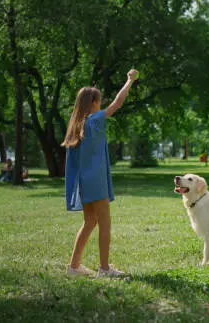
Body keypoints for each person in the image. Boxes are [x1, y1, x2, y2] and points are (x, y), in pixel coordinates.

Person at [62, 69, 138, 277]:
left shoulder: (76, 126)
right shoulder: (94, 120)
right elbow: (117, 103)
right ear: (93, 102)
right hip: (95, 181)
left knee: (90, 222)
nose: (101, 104)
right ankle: (104, 269)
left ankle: (74, 266)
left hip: (84, 182)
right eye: (99, 101)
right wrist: (129, 80)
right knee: (104, 221)